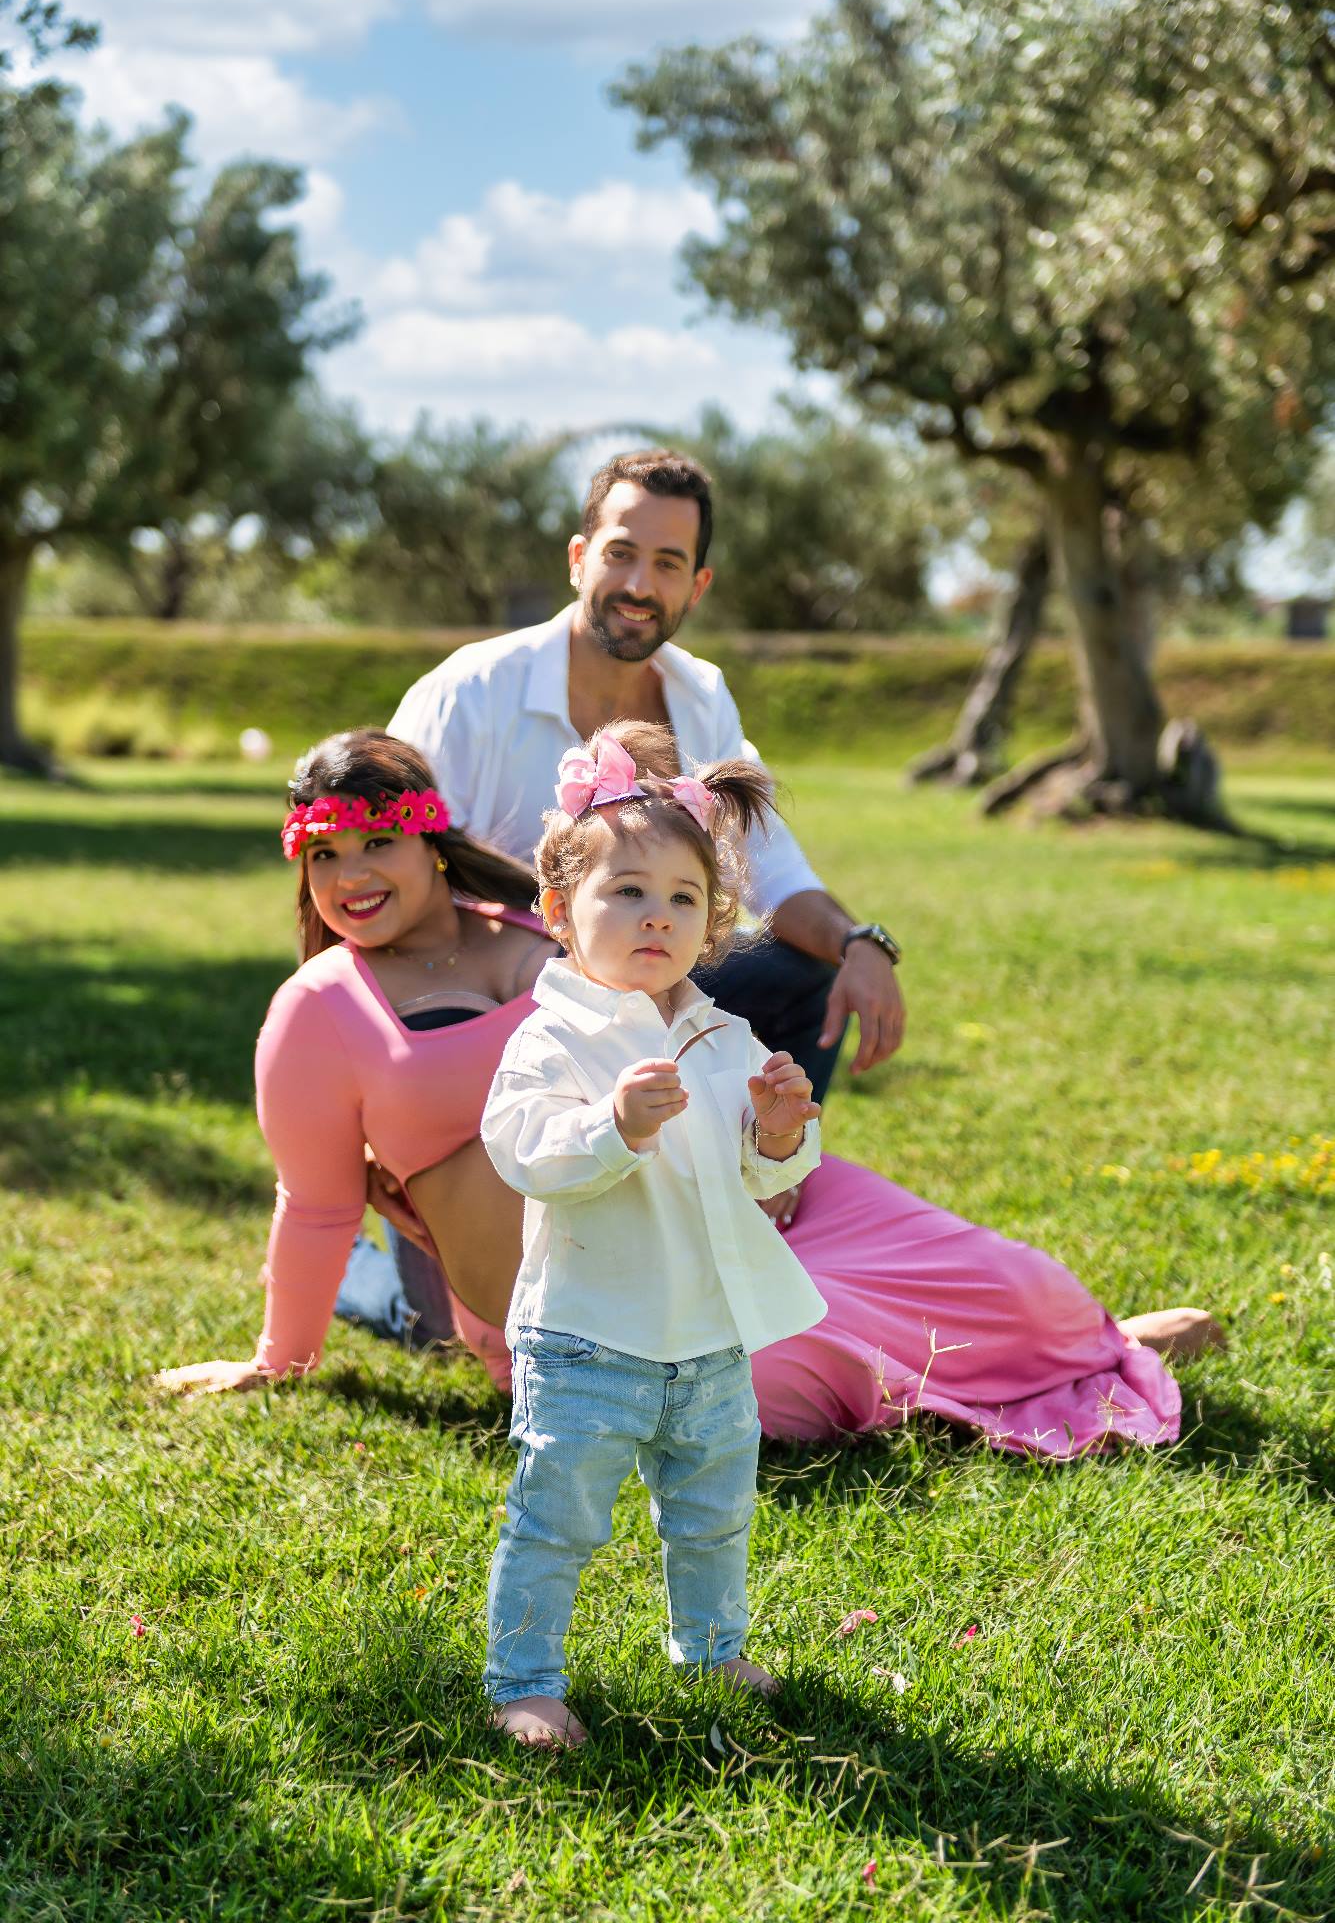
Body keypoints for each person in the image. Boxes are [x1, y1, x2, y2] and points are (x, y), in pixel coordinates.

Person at [161, 724, 1212, 1464]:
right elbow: (316, 1204)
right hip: (602, 1306)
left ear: (431, 839)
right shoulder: (317, 1011)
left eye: (376, 842)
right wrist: (276, 1360)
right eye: (323, 855)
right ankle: (1027, 1376)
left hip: (742, 1199)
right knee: (775, 1382)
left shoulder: (554, 927)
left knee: (1016, 1278)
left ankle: (1091, 1339)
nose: (352, 876)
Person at [337, 445, 904, 1338]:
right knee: (441, 1322)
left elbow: (770, 868)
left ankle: (752, 1178)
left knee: (802, 971)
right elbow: (368, 873)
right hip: (486, 1016)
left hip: (632, 992)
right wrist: (367, 1078)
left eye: (667, 564)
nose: (639, 583)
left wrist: (860, 944)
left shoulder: (700, 698)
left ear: (697, 585)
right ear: (577, 558)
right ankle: (373, 1277)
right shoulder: (468, 693)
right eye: (620, 553)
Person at [480, 725, 826, 1748]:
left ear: (711, 922)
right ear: (558, 911)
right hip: (589, 1335)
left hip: (706, 1337)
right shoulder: (551, 1036)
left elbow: (759, 1176)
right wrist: (613, 1128)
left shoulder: (724, 1035)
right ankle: (525, 1678)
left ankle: (711, 1645)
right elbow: (524, 1150)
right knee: (558, 1517)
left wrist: (777, 1131)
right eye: (626, 891)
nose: (654, 916)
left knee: (713, 1512)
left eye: (682, 897)